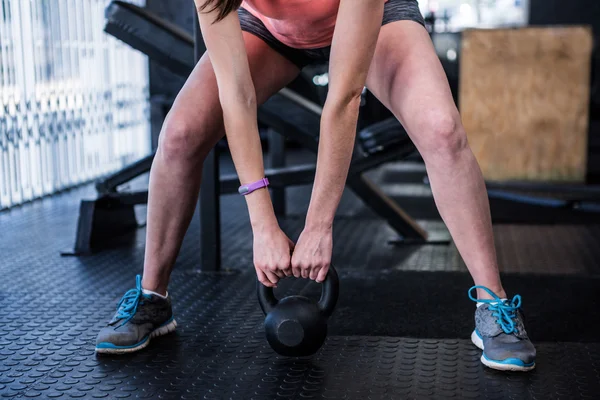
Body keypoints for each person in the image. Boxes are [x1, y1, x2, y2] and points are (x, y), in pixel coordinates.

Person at [95, 0, 536, 372]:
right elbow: (237, 94)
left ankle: (493, 306)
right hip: (269, 31)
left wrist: (319, 225)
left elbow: (343, 97)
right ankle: (152, 298)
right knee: (179, 134)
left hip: (376, 18)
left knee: (442, 129)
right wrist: (262, 223)